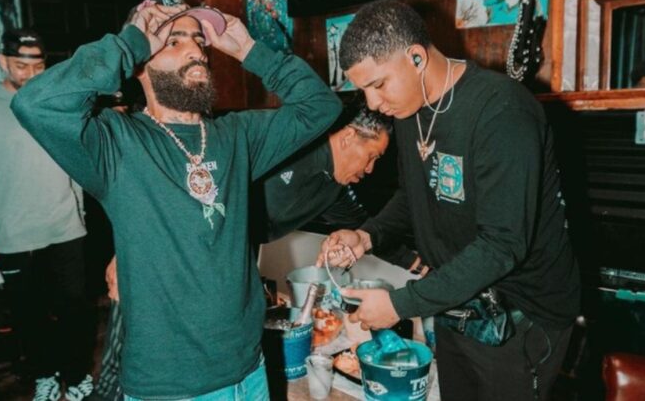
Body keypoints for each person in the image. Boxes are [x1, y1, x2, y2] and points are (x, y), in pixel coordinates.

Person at [10, 0, 341, 400]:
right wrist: (128, 44)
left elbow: (320, 107)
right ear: (140, 64)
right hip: (171, 387)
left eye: (199, 40)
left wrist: (250, 50)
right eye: (173, 40)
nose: (196, 51)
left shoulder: (237, 135)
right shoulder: (116, 144)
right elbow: (35, 104)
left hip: (250, 371)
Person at [317, 0, 580, 401]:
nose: (372, 104)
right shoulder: (409, 112)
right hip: (456, 302)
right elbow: (414, 196)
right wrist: (366, 236)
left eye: (379, 84)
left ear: (416, 57)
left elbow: (502, 245)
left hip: (520, 318)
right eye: (363, 90)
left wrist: (400, 304)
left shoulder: (501, 110)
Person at [92, 103, 424, 401]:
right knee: (137, 333)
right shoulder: (288, 145)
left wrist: (414, 263)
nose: (370, 169)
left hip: (235, 260)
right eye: (373, 156)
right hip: (180, 246)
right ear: (349, 137)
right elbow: (179, 183)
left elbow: (363, 230)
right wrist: (129, 248)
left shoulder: (333, 189)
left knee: (217, 350)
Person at [0, 29, 94, 401]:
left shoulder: (55, 102)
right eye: (21, 66)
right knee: (28, 314)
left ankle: (77, 374)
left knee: (74, 310)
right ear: (2, 61)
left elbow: (71, 159)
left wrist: (80, 212)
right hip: (13, 233)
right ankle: (44, 374)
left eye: (38, 66)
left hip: (66, 226)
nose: (31, 75)